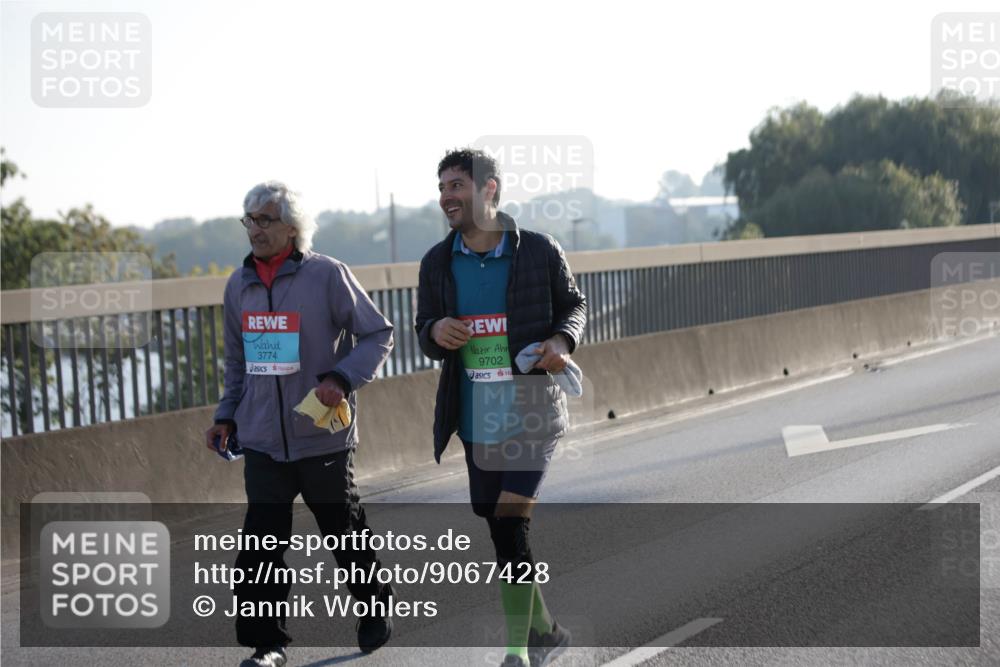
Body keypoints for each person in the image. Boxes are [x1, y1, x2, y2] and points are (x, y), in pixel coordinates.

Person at [205, 181, 395, 667]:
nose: (255, 229)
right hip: (263, 439)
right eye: (248, 220)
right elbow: (236, 362)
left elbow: (377, 334)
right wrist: (226, 415)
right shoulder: (238, 285)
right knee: (260, 548)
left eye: (265, 219)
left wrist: (341, 377)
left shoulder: (326, 275)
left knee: (344, 531)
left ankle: (374, 609)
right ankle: (267, 644)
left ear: (292, 227)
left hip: (321, 435)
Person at [415, 149, 587, 667]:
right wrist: (435, 332)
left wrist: (561, 340)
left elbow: (573, 305)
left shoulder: (537, 249)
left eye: (457, 185)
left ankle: (516, 651)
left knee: (511, 524)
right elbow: (425, 326)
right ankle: (547, 630)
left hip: (533, 409)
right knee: (499, 525)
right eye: (442, 186)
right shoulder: (436, 262)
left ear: (490, 188)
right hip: (475, 416)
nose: (447, 196)